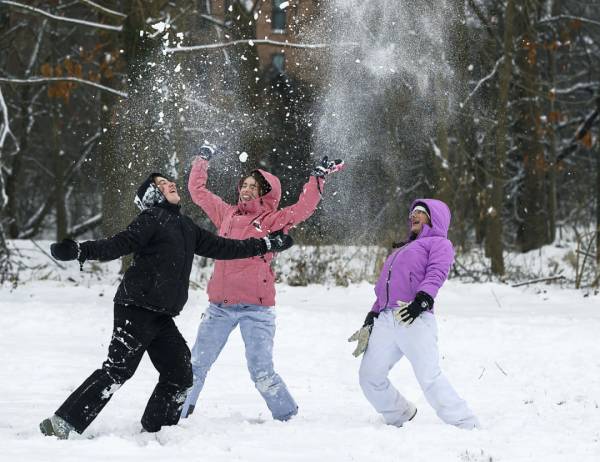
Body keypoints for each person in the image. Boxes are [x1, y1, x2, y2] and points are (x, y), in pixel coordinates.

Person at [40, 172, 293, 439]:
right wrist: (81, 251)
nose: (169, 183)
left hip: (161, 316)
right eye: (160, 184)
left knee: (181, 374)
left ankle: (157, 430)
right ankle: (61, 423)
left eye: (167, 180)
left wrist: (265, 244)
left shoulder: (185, 225)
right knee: (117, 371)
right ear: (152, 196)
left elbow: (225, 247)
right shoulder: (151, 219)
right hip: (135, 307)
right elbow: (119, 243)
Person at [180, 145, 344, 421]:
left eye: (253, 187)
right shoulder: (226, 214)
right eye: (244, 184)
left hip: (256, 310)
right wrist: (203, 159)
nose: (246, 189)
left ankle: (287, 415)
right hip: (219, 307)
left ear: (266, 192)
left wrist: (317, 179)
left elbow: (303, 208)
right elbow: (198, 193)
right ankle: (179, 410)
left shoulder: (271, 220)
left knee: (261, 372)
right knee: (196, 364)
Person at [350, 199, 480, 430]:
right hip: (386, 319)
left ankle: (465, 422)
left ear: (435, 217)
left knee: (429, 376)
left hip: (414, 317)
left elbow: (436, 273)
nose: (414, 215)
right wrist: (372, 315)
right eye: (412, 213)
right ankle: (399, 412)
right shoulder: (401, 250)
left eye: (420, 212)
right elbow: (384, 288)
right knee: (369, 376)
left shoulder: (440, 244)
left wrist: (422, 300)